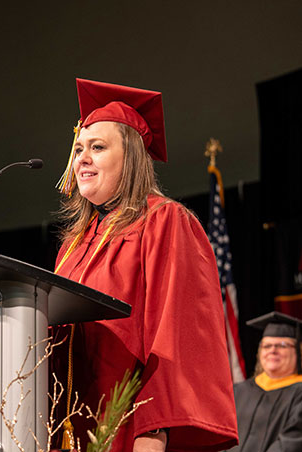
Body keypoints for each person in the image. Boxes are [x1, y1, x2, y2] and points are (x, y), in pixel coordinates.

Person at [51, 78, 238, 452]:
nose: (82, 159)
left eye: (98, 147)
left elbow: (175, 339)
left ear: (132, 156)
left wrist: (153, 435)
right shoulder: (73, 246)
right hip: (67, 431)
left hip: (128, 429)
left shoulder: (165, 222)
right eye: (78, 149)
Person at [227, 311, 302, 452]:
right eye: (266, 346)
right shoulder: (238, 391)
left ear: (298, 352)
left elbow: (291, 444)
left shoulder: (299, 393)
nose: (273, 350)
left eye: (282, 345)